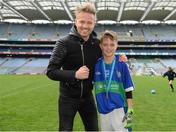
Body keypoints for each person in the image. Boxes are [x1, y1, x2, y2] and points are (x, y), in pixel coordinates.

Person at [46, 2, 127, 131]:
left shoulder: (96, 43)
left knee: (93, 129)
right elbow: (50, 71)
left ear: (94, 23)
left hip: (88, 97)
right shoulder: (64, 43)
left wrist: (120, 57)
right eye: (82, 22)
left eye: (89, 23)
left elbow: (108, 54)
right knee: (65, 130)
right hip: (68, 98)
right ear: (75, 21)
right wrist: (74, 75)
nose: (85, 26)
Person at [94, 30, 134, 131]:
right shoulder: (96, 65)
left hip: (120, 110)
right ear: (100, 46)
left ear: (117, 45)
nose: (109, 48)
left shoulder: (122, 64)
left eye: (112, 44)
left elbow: (128, 89)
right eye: (105, 44)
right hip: (103, 111)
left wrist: (130, 110)